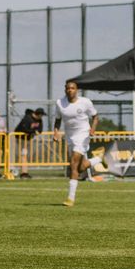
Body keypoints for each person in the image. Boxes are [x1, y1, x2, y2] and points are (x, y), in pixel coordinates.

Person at [52, 79, 99, 208]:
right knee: (81, 167)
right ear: (65, 90)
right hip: (70, 137)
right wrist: (55, 132)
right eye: (68, 88)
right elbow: (57, 120)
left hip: (83, 135)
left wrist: (93, 129)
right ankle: (98, 160)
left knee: (73, 163)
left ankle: (70, 198)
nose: (70, 90)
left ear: (76, 90)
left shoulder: (85, 102)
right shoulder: (60, 103)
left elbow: (95, 117)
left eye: (72, 88)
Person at [12, 107, 45, 179]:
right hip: (20, 138)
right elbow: (24, 129)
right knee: (23, 155)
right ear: (38, 114)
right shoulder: (27, 118)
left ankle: (25, 172)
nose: (41, 117)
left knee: (26, 155)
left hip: (28, 139)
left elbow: (40, 130)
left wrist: (36, 131)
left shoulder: (39, 120)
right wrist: (33, 131)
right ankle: (23, 173)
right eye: (41, 115)